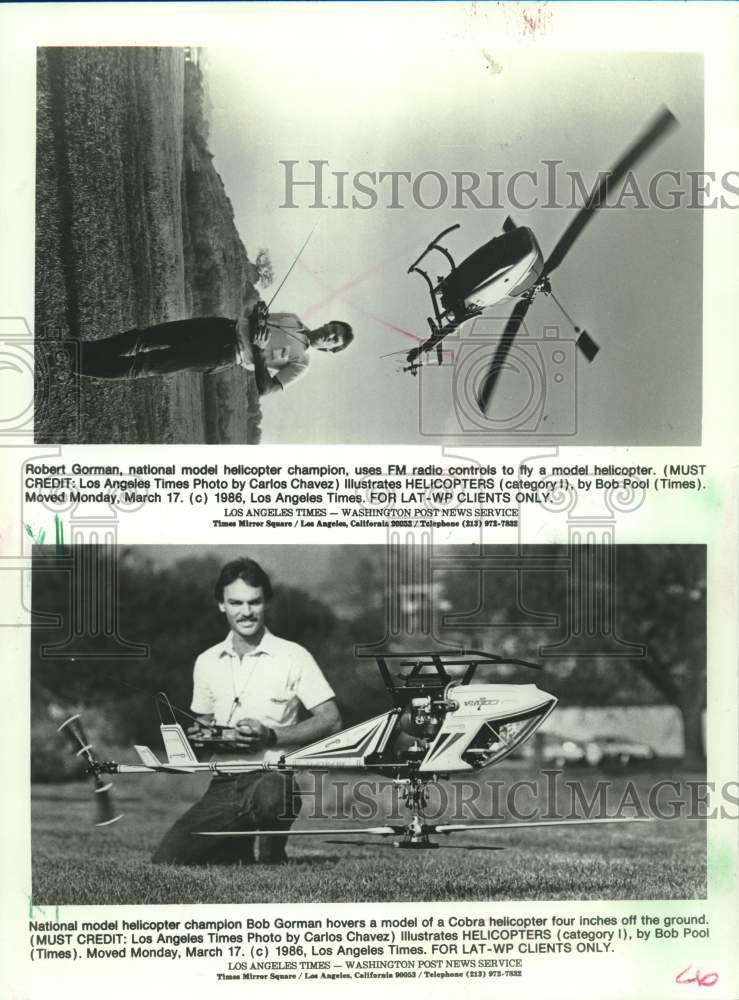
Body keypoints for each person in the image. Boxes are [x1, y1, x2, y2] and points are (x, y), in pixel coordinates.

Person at [152, 557, 342, 865]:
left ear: (266, 603)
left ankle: (271, 853)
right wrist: (203, 736)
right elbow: (203, 723)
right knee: (167, 861)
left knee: (272, 799)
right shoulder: (207, 661)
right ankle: (235, 845)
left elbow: (331, 719)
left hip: (273, 779)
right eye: (236, 602)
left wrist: (269, 736)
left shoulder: (293, 656)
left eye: (254, 602)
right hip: (223, 783)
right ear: (221, 605)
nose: (246, 612)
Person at [67, 285, 354, 396]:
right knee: (145, 337)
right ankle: (83, 350)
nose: (330, 334)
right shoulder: (294, 318)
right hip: (221, 327)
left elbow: (265, 389)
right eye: (334, 328)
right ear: (328, 323)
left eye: (335, 340)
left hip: (226, 354)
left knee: (147, 364)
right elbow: (255, 316)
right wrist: (260, 312)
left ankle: (80, 366)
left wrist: (259, 348)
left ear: (331, 350)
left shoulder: (302, 363)